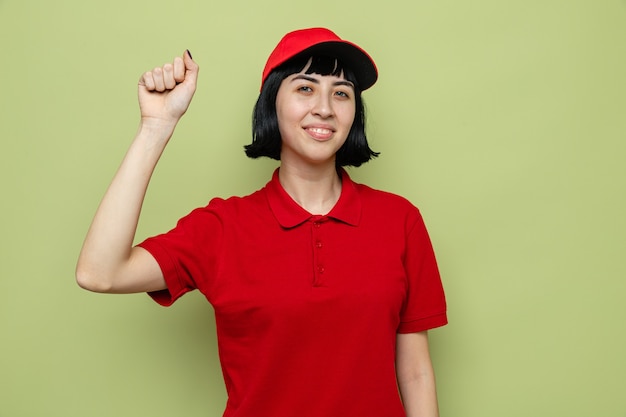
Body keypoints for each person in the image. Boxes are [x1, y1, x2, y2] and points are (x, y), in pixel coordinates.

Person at [76, 27, 447, 417]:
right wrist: (155, 128)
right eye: (305, 88)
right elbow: (100, 273)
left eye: (341, 93)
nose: (324, 107)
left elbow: (416, 372)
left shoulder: (399, 220)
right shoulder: (222, 227)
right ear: (272, 104)